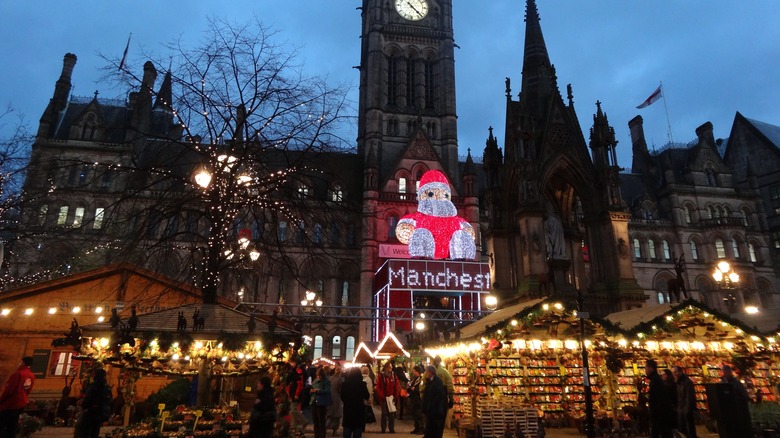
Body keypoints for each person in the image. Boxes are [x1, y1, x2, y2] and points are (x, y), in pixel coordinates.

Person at [0, 356, 35, 438]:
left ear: (23, 363)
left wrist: (1, 400)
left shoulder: (18, 374)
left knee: (2, 424)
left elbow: (9, 390)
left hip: (10, 403)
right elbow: (28, 390)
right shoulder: (31, 375)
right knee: (13, 425)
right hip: (21, 403)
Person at [79, 368, 111, 438]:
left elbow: (87, 399)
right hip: (100, 412)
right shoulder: (106, 387)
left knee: (87, 432)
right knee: (95, 432)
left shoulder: (93, 386)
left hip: (91, 412)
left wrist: (84, 405)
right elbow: (108, 399)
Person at [721, 364, 752, 436]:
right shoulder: (723, 383)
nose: (725, 374)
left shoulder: (736, 383)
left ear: (730, 372)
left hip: (737, 411)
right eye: (724, 372)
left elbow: (744, 396)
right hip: (729, 411)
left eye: (727, 372)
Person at [645, 359, 672, 438]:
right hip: (660, 413)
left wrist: (654, 411)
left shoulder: (655, 380)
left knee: (660, 432)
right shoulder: (656, 379)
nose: (645, 370)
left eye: (646, 368)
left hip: (659, 413)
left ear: (650, 368)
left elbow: (658, 398)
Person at [341, 367, 370, 438]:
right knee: (357, 429)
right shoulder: (362, 384)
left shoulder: (345, 384)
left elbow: (342, 396)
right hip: (359, 409)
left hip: (348, 409)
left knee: (347, 429)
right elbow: (367, 396)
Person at [421, 365, 447, 438]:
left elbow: (439, 395)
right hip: (430, 409)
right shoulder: (429, 381)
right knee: (430, 426)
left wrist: (431, 405)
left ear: (431, 372)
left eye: (427, 371)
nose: (425, 373)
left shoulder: (437, 381)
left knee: (434, 427)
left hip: (435, 410)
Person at [375, 361, 401, 433]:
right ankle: (383, 428)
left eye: (391, 367)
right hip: (384, 397)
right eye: (389, 367)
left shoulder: (394, 375)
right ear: (386, 368)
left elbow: (397, 385)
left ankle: (391, 428)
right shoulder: (381, 376)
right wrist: (382, 396)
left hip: (391, 397)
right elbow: (378, 387)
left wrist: (395, 395)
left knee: (391, 414)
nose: (391, 369)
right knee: (384, 413)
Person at [672, 366, 697, 438]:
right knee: (682, 427)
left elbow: (689, 397)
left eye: (676, 372)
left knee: (689, 428)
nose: (675, 374)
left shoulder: (687, 382)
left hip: (686, 409)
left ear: (681, 371)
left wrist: (687, 409)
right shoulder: (678, 382)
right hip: (680, 408)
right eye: (673, 372)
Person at [311, 366, 333, 438]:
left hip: (321, 403)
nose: (318, 377)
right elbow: (312, 387)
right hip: (314, 402)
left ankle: (322, 435)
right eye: (318, 375)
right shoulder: (316, 380)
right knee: (315, 421)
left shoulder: (327, 381)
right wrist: (311, 390)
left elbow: (327, 390)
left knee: (321, 421)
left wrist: (319, 390)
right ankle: (316, 435)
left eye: (320, 376)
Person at [433, 356, 454, 429]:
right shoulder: (445, 372)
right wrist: (451, 398)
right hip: (442, 395)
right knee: (441, 414)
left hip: (433, 396)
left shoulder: (429, 371)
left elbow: (423, 384)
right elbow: (449, 384)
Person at [407, 365, 425, 434]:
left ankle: (421, 428)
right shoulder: (414, 379)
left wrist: (414, 389)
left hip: (418, 399)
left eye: (415, 371)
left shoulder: (421, 379)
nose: (413, 372)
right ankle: (416, 427)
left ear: (418, 372)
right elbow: (411, 386)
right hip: (414, 399)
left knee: (419, 414)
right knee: (414, 414)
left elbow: (421, 388)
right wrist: (409, 389)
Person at [327, 365, 344, 436]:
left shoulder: (330, 378)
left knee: (329, 414)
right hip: (337, 398)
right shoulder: (340, 379)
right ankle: (334, 430)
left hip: (330, 397)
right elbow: (340, 390)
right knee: (336, 415)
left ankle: (326, 427)